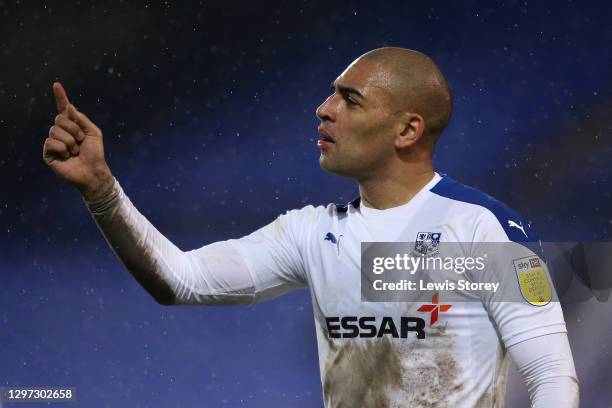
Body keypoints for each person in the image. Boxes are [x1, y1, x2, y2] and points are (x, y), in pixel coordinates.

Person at [43, 47, 579, 407]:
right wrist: (101, 190)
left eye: (349, 99)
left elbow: (551, 376)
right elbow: (177, 280)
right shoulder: (311, 233)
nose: (324, 110)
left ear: (408, 129)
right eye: (330, 95)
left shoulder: (480, 228)